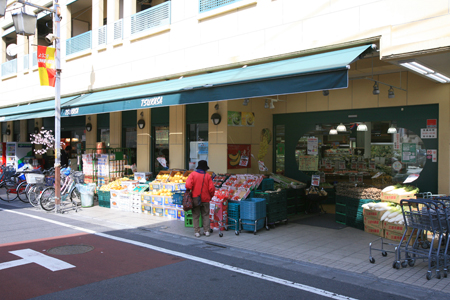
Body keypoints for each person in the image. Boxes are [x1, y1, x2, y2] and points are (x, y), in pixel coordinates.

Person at [185, 160, 215, 237]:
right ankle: (207, 231)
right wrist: (210, 196)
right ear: (205, 168)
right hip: (205, 199)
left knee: (196, 215)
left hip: (195, 198)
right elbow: (212, 188)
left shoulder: (193, 174)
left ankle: (197, 232)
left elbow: (188, 185)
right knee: (205, 215)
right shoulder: (208, 176)